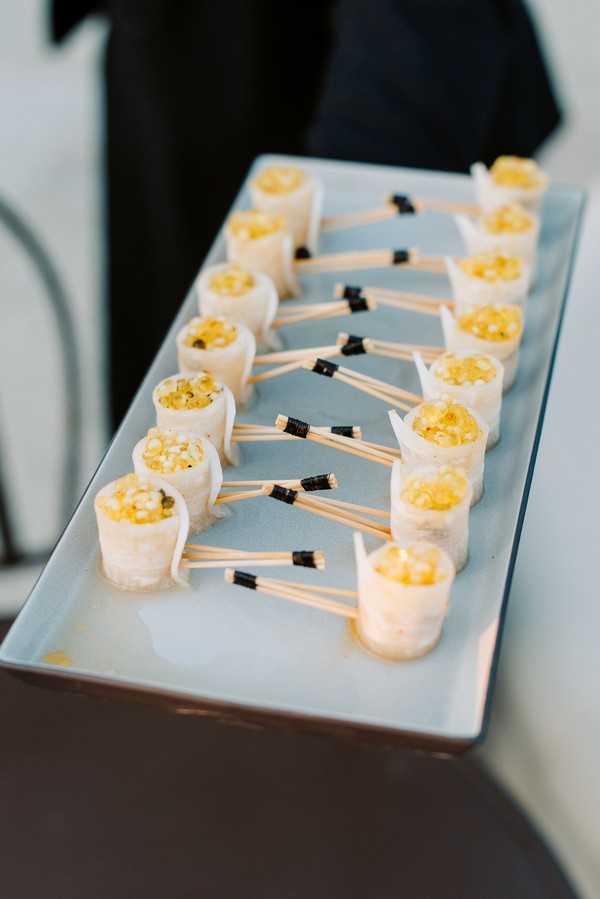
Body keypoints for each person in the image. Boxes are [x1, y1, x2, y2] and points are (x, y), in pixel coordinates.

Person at [51, 0, 560, 429]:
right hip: (180, 58)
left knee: (396, 382)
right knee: (187, 378)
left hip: (374, 78)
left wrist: (360, 189)